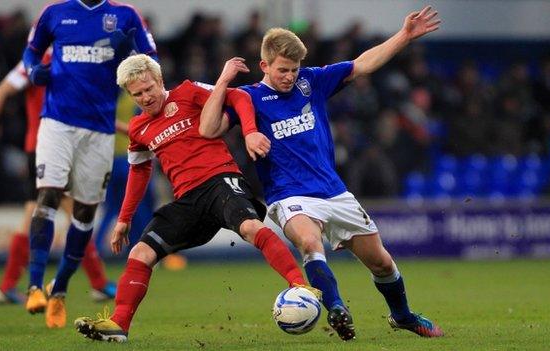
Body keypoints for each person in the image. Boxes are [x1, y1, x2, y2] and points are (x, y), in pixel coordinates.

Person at [200, 7, 444, 340]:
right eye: (283, 70)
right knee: (310, 243)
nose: (289, 76)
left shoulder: (310, 81)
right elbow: (209, 129)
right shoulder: (248, 98)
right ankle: (337, 309)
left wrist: (404, 35)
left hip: (333, 191)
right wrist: (224, 82)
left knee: (382, 263)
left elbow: (362, 64)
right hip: (288, 194)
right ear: (264, 66)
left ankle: (402, 316)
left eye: (294, 69)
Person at [73, 54, 317, 343]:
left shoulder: (188, 91)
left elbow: (238, 97)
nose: (146, 97)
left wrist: (250, 132)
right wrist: (124, 220)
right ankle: (119, 324)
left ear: (160, 81)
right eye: (137, 94)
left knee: (251, 227)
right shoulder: (138, 129)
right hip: (188, 201)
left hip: (220, 181)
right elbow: (139, 172)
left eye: (149, 88)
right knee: (140, 253)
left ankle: (301, 287)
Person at [22, 0, 158, 328]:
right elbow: (31, 52)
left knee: (85, 214)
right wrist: (33, 70)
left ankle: (61, 290)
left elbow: (151, 59)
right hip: (56, 123)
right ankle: (35, 287)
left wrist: (137, 73)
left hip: (99, 130)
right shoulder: (54, 13)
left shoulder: (125, 17)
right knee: (48, 196)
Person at [0, 51, 117, 305]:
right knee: (77, 213)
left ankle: (6, 286)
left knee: (32, 213)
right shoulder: (49, 58)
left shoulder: (59, 56)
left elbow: (1, 91)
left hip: (42, 146)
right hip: (53, 146)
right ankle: (98, 283)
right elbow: (0, 92)